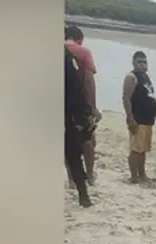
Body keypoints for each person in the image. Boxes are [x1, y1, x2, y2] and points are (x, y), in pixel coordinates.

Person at [64, 26, 100, 185]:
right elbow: (88, 80)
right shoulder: (83, 52)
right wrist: (93, 106)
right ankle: (90, 175)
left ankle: (72, 178)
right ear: (79, 39)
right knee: (88, 139)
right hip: (79, 103)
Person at [65, 45, 95, 208]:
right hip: (67, 113)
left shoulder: (67, 57)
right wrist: (83, 115)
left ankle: (83, 193)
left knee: (74, 155)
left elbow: (76, 88)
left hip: (66, 113)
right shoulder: (67, 57)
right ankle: (83, 195)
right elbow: (78, 88)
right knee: (74, 156)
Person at [122, 51, 156, 184]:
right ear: (134, 63)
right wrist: (130, 117)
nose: (142, 65)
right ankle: (133, 176)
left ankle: (142, 174)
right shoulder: (131, 77)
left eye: (144, 62)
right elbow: (126, 98)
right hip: (138, 118)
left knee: (143, 149)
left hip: (148, 120)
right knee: (135, 149)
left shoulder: (145, 77)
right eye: (139, 62)